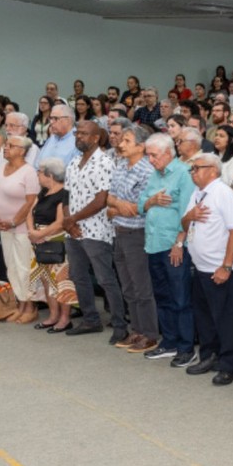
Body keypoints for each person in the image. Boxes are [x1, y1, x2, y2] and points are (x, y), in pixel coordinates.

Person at [61, 121, 128, 342]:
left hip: (97, 230)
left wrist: (73, 219)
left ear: (96, 138)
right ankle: (91, 319)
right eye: (77, 133)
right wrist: (69, 221)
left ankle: (120, 325)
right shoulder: (73, 163)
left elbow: (102, 200)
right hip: (74, 230)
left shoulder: (105, 163)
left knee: (105, 279)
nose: (78, 136)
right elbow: (66, 195)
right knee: (78, 276)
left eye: (84, 133)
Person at [181, 153, 233, 385]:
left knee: (225, 319)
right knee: (204, 317)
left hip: (220, 268)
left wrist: (226, 266)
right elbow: (185, 223)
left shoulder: (224, 194)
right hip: (200, 267)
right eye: (192, 169)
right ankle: (209, 356)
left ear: (213, 170)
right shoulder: (197, 194)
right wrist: (190, 215)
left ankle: (229, 365)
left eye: (197, 168)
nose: (193, 172)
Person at [137, 134, 197, 364]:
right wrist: (151, 201)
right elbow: (141, 205)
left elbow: (188, 213)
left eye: (154, 155)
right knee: (162, 296)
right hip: (153, 244)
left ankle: (186, 348)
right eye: (148, 155)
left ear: (169, 153)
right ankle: (169, 342)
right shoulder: (155, 175)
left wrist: (179, 243)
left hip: (174, 245)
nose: (150, 160)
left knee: (180, 298)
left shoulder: (183, 174)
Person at [106, 123, 159, 354]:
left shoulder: (148, 171)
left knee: (141, 288)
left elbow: (137, 208)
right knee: (127, 286)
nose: (121, 144)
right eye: (122, 140)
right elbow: (109, 198)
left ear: (142, 146)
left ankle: (149, 334)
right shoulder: (121, 166)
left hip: (137, 234)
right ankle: (136, 330)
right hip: (119, 231)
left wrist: (117, 207)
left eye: (127, 141)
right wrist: (118, 205)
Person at [0, 135, 40, 323]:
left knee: (24, 266)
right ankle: (19, 303)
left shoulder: (29, 172)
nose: (5, 147)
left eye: (11, 145)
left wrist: (14, 221)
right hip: (3, 225)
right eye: (6, 144)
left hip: (21, 227)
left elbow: (30, 202)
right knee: (11, 267)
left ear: (23, 151)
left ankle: (30, 306)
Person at [25, 159, 77, 331]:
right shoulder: (43, 192)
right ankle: (53, 315)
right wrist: (32, 231)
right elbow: (30, 213)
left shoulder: (64, 194)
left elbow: (60, 222)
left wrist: (40, 234)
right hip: (38, 240)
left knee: (61, 281)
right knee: (46, 280)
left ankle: (64, 318)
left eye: (40, 172)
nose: (38, 175)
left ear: (50, 175)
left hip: (55, 241)